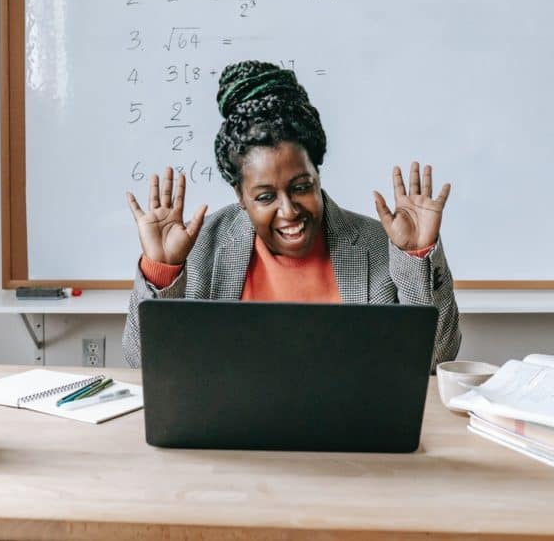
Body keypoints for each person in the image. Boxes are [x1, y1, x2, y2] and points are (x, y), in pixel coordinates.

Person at [122, 60, 461, 369]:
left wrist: (417, 257)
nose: (288, 211)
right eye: (266, 196)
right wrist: (162, 272)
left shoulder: (379, 246)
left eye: (301, 187)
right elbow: (142, 365)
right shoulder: (199, 250)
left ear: (317, 175)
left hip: (348, 430)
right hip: (232, 433)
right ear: (240, 196)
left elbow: (434, 361)